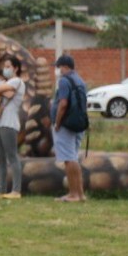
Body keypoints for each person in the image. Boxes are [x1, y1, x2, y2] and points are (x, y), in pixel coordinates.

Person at [0, 56, 24, 200]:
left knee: (12, 156)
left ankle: (16, 190)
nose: (5, 69)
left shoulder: (17, 81)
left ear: (16, 68)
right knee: (0, 158)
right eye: (5, 66)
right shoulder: (5, 83)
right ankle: (1, 190)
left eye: (8, 66)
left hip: (9, 123)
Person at [52, 54, 87, 203]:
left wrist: (57, 123)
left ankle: (73, 194)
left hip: (66, 124)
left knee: (69, 159)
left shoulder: (64, 81)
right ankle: (80, 194)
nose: (58, 70)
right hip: (78, 123)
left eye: (59, 67)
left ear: (64, 67)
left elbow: (63, 103)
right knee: (73, 158)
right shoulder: (79, 80)